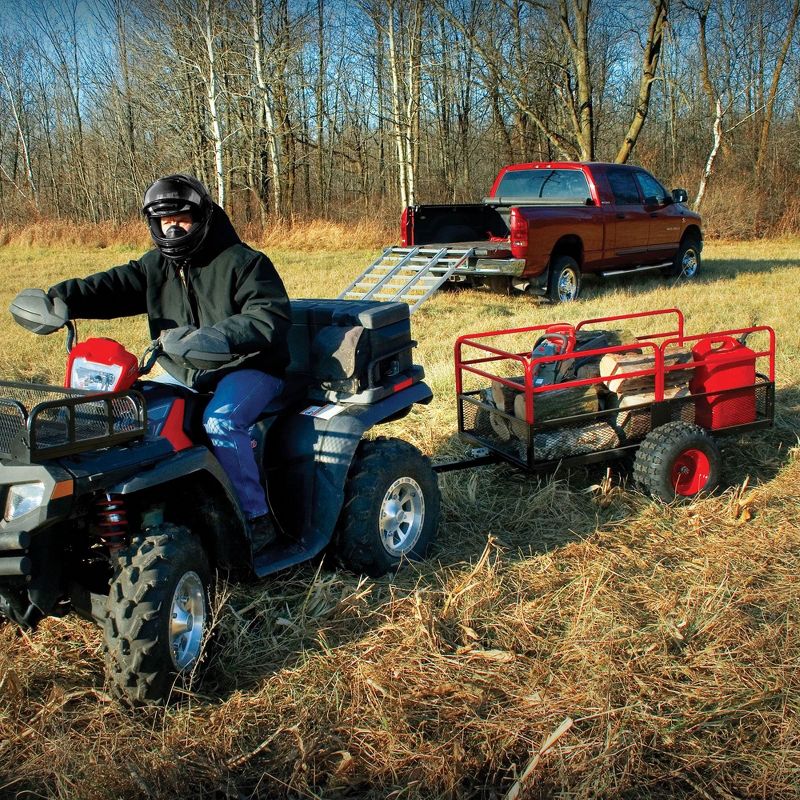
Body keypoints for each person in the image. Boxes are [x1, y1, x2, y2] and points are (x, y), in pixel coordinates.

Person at [45, 174, 291, 550]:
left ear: (202, 216)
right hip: (183, 368)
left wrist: (219, 337)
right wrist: (60, 300)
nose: (173, 226)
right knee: (133, 416)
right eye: (165, 220)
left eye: (182, 218)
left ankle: (255, 519)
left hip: (249, 367)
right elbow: (111, 287)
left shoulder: (244, 262)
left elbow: (267, 317)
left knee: (221, 420)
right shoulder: (155, 266)